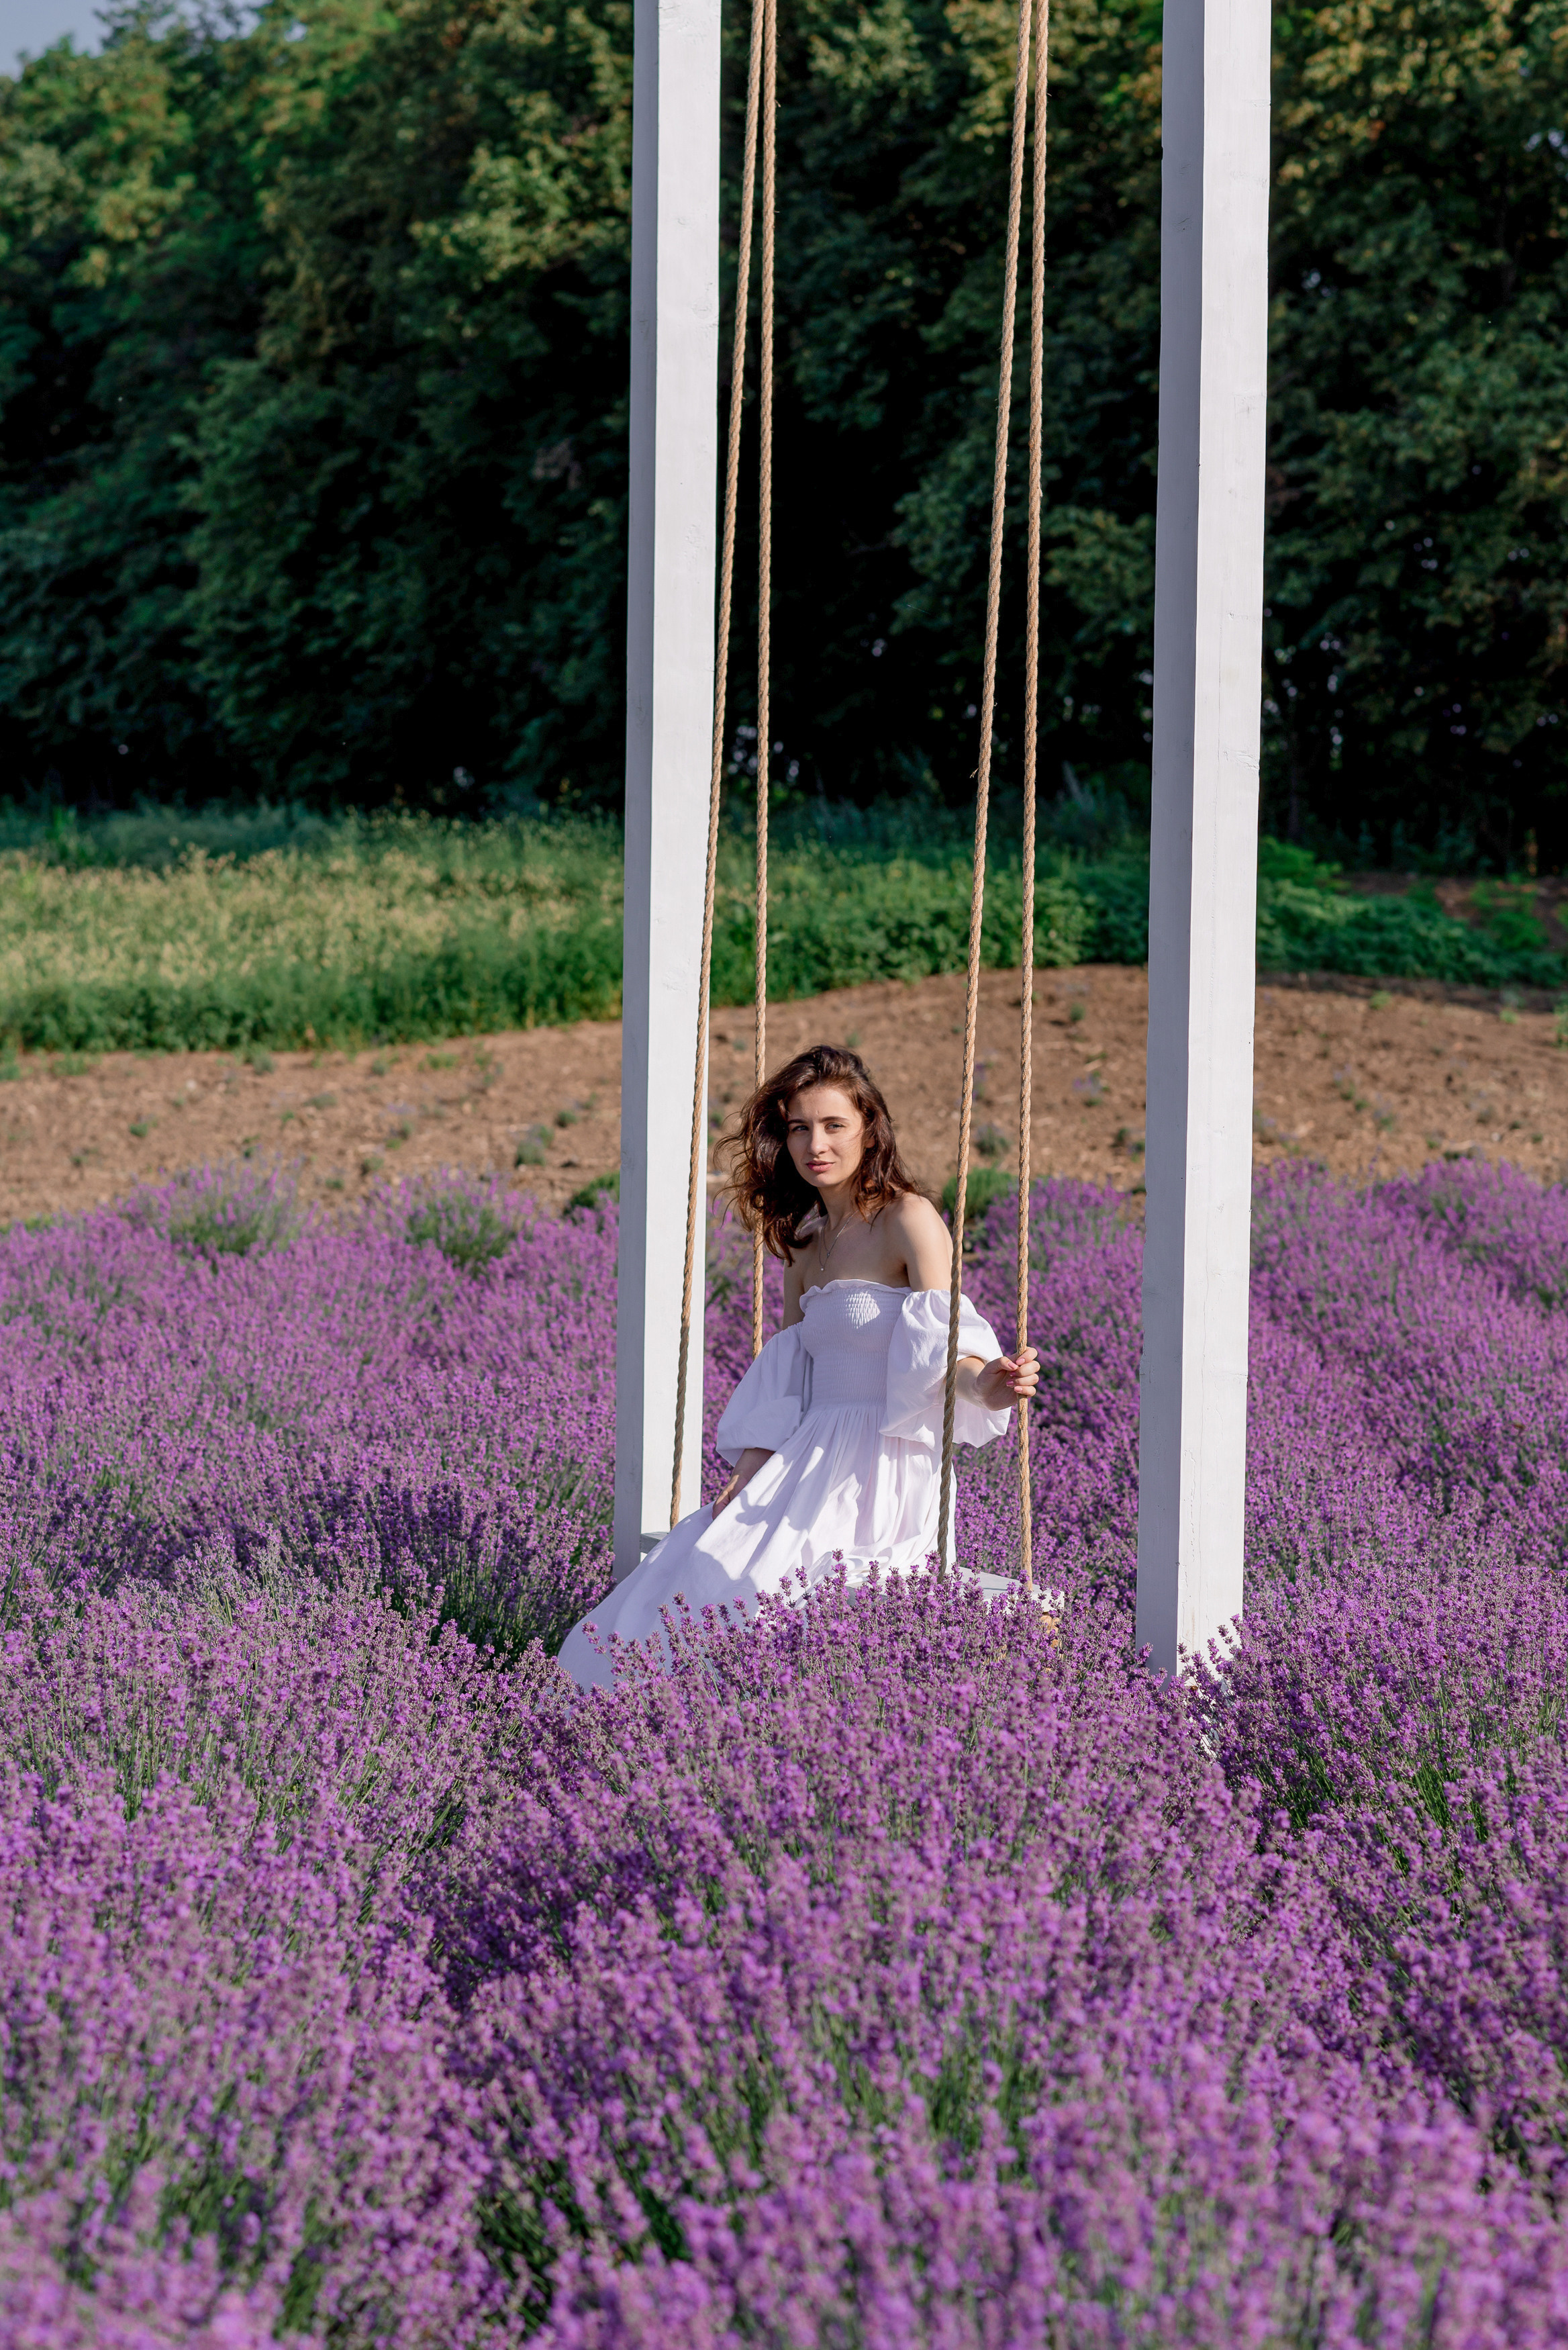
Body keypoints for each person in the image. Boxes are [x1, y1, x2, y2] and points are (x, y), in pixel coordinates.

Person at [556, 1043, 1040, 1689]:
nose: (817, 1144)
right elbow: (792, 1379)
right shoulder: (806, 1244)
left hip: (883, 1462)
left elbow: (944, 1348)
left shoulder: (908, 1219)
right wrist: (747, 1474)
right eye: (799, 1128)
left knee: (800, 1603)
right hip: (809, 1456)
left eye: (835, 1125)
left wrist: (989, 1383)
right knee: (703, 1570)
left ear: (870, 1130)